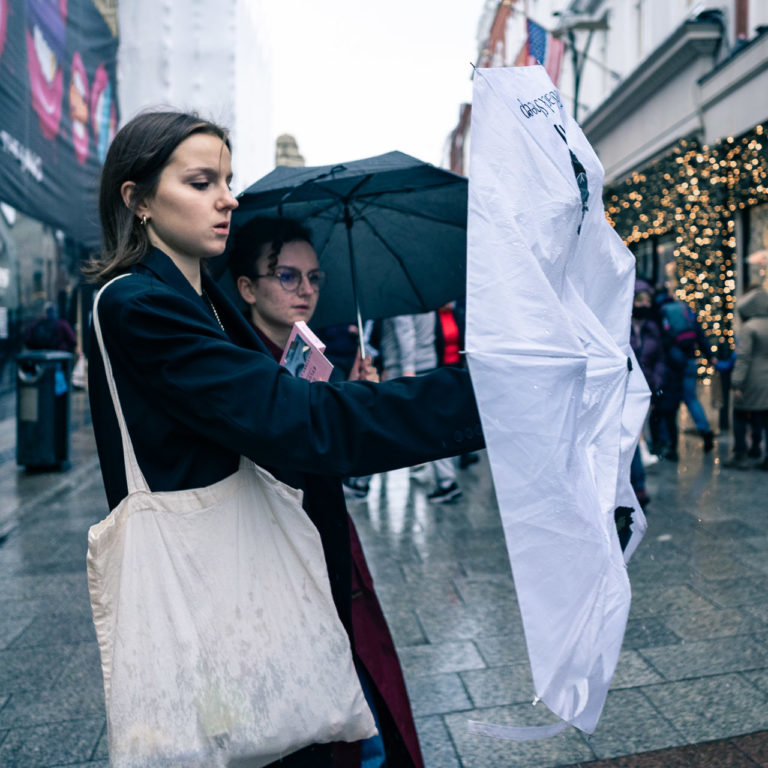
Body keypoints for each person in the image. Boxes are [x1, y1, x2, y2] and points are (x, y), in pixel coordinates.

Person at [83, 110, 483, 768]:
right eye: (201, 181)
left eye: (229, 179)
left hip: (264, 599)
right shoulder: (137, 305)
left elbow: (289, 413)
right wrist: (482, 390)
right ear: (140, 199)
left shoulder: (205, 302)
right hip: (216, 605)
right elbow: (304, 424)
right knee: (254, 748)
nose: (227, 198)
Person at [229, 215, 423, 767]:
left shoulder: (306, 355)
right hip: (274, 571)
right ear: (247, 287)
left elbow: (330, 457)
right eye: (287, 277)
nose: (307, 290)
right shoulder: (239, 366)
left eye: (315, 278)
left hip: (329, 546)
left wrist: (356, 403)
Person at [380, 311, 463, 502]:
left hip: (406, 369)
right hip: (426, 364)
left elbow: (405, 332)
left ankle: (359, 484)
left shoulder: (399, 298)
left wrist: (407, 369)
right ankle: (447, 481)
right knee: (432, 428)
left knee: (383, 420)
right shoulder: (423, 297)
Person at [653, 284, 715, 458]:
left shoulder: (660, 312)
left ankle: (666, 441)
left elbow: (660, 340)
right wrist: (710, 356)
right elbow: (699, 333)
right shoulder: (684, 309)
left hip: (670, 365)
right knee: (691, 399)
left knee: (668, 404)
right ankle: (705, 431)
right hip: (689, 361)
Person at [723, 285, 768, 470]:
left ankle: (740, 453)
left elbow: (743, 358)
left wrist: (736, 383)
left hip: (752, 379)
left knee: (739, 414)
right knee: (765, 418)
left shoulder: (749, 328)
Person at [629, 280, 665, 506]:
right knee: (632, 437)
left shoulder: (653, 327)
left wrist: (657, 382)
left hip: (646, 388)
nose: (645, 304)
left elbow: (660, 358)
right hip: (625, 388)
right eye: (640, 300)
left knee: (636, 436)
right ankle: (637, 486)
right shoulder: (619, 324)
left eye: (647, 300)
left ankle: (638, 485)